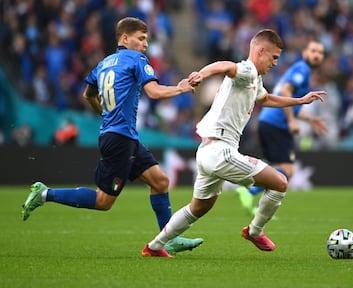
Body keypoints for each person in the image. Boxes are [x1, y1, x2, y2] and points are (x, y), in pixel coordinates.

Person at [21, 17, 203, 255]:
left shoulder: (104, 64)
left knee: (160, 181)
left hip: (121, 136)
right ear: (125, 39)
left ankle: (168, 238)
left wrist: (105, 114)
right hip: (119, 140)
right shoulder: (137, 59)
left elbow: (88, 95)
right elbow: (155, 92)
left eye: (147, 39)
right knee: (103, 201)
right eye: (141, 39)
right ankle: (44, 193)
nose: (145, 44)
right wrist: (181, 88)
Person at [141, 29, 326, 257]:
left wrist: (299, 100)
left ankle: (154, 247)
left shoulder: (255, 79)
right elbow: (225, 66)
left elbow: (266, 99)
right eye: (274, 57)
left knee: (199, 207)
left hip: (208, 151)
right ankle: (255, 231)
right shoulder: (247, 70)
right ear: (260, 51)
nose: (276, 63)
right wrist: (201, 73)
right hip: (221, 151)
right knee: (280, 182)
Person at [236, 40, 327, 215]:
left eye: (320, 53)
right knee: (287, 170)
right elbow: (285, 92)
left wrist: (309, 119)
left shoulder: (300, 70)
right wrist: (292, 121)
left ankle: (256, 204)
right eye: (313, 50)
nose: (317, 55)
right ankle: (249, 191)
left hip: (269, 121)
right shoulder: (302, 69)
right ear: (305, 53)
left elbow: (288, 101)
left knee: (280, 169)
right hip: (276, 124)